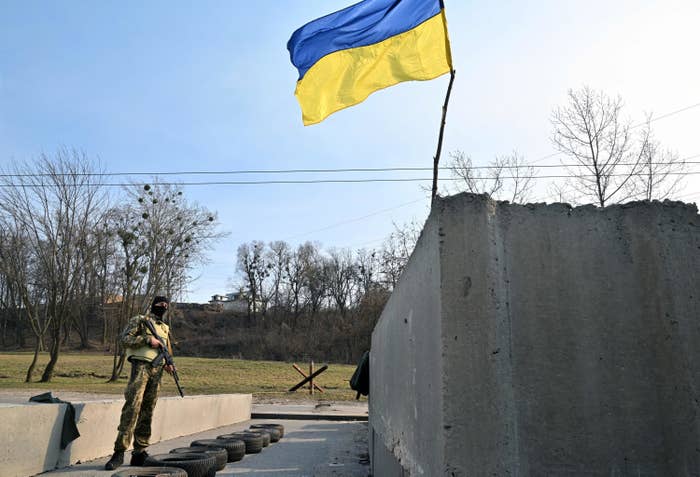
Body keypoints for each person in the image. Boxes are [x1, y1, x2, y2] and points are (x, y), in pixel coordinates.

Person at [105, 296, 175, 470]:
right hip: (141, 367)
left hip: (157, 371)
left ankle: (140, 452)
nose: (163, 307)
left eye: (166, 305)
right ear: (153, 305)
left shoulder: (165, 328)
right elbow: (124, 339)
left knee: (148, 410)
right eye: (160, 304)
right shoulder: (141, 320)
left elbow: (167, 349)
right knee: (132, 407)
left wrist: (169, 363)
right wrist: (146, 340)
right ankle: (119, 452)